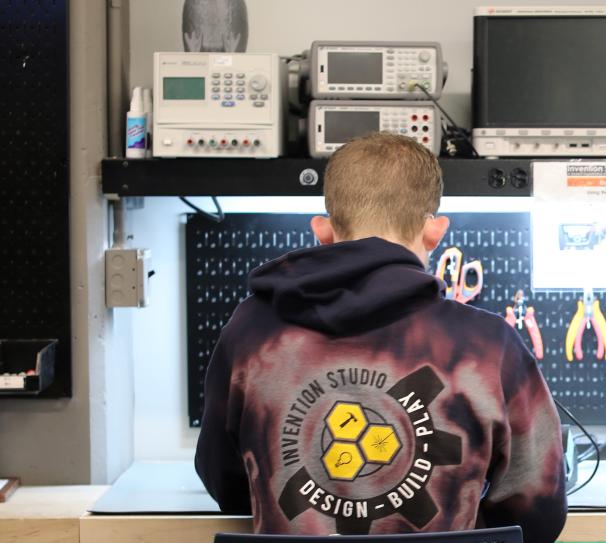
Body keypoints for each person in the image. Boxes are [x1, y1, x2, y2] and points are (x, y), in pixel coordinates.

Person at [195, 132, 567, 541]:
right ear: (435, 233)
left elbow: (227, 485)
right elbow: (537, 511)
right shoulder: (489, 346)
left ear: (322, 230)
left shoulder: (252, 334)